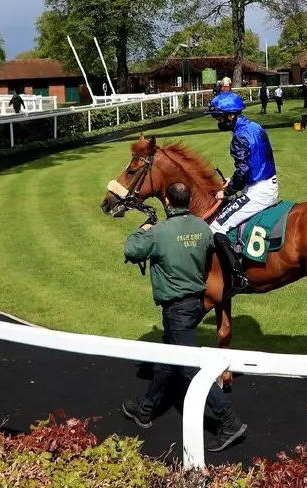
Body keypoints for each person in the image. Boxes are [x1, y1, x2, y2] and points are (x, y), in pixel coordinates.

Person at [121, 182, 248, 453]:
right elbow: (207, 252)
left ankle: (229, 421)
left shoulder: (159, 233)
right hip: (195, 304)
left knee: (188, 368)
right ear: (188, 200)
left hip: (176, 309)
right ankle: (145, 409)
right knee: (169, 360)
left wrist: (141, 230)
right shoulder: (203, 228)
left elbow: (132, 251)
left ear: (167, 201)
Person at [205, 91, 278, 297]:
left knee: (215, 227)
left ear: (231, 116)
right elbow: (255, 162)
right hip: (266, 181)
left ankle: (238, 278)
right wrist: (236, 179)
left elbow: (243, 171)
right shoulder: (255, 126)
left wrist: (227, 190)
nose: (217, 121)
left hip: (258, 191)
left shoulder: (239, 137)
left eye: (219, 117)